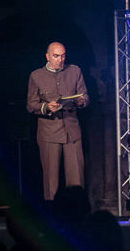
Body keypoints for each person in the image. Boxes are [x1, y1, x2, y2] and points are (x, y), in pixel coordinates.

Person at [26, 42, 89, 201]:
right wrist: (46, 107)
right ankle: (52, 211)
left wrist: (81, 101)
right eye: (56, 56)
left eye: (63, 56)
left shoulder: (75, 71)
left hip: (72, 131)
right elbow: (31, 105)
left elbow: (85, 96)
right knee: (51, 180)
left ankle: (78, 210)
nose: (60, 60)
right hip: (49, 132)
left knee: (76, 179)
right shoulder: (36, 76)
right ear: (47, 57)